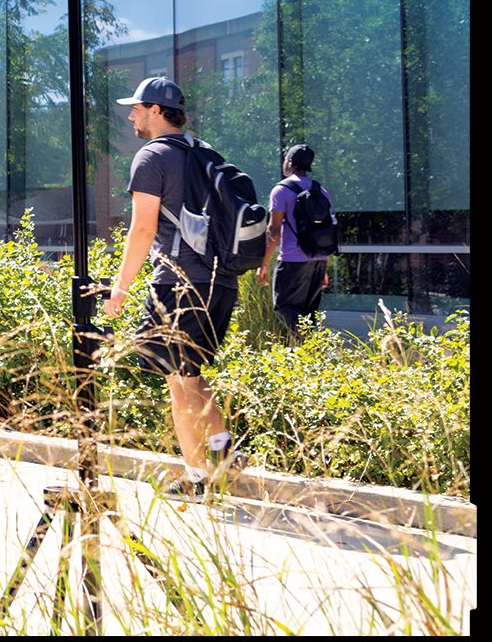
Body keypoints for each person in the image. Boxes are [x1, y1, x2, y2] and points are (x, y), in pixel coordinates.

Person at [101, 76, 247, 501]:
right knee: (191, 378)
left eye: (137, 108)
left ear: (158, 111)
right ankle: (224, 456)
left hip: (179, 284)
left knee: (178, 384)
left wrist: (121, 289)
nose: (131, 116)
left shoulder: (152, 157)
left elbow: (143, 228)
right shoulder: (205, 154)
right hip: (219, 282)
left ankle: (197, 476)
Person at [258, 144, 331, 344]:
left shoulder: (281, 190)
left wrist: (262, 262)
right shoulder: (321, 191)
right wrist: (323, 267)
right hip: (318, 260)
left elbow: (274, 230)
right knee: (308, 314)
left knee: (283, 305)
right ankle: (305, 362)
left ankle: (312, 346)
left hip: (292, 260)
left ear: (289, 163)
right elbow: (326, 229)